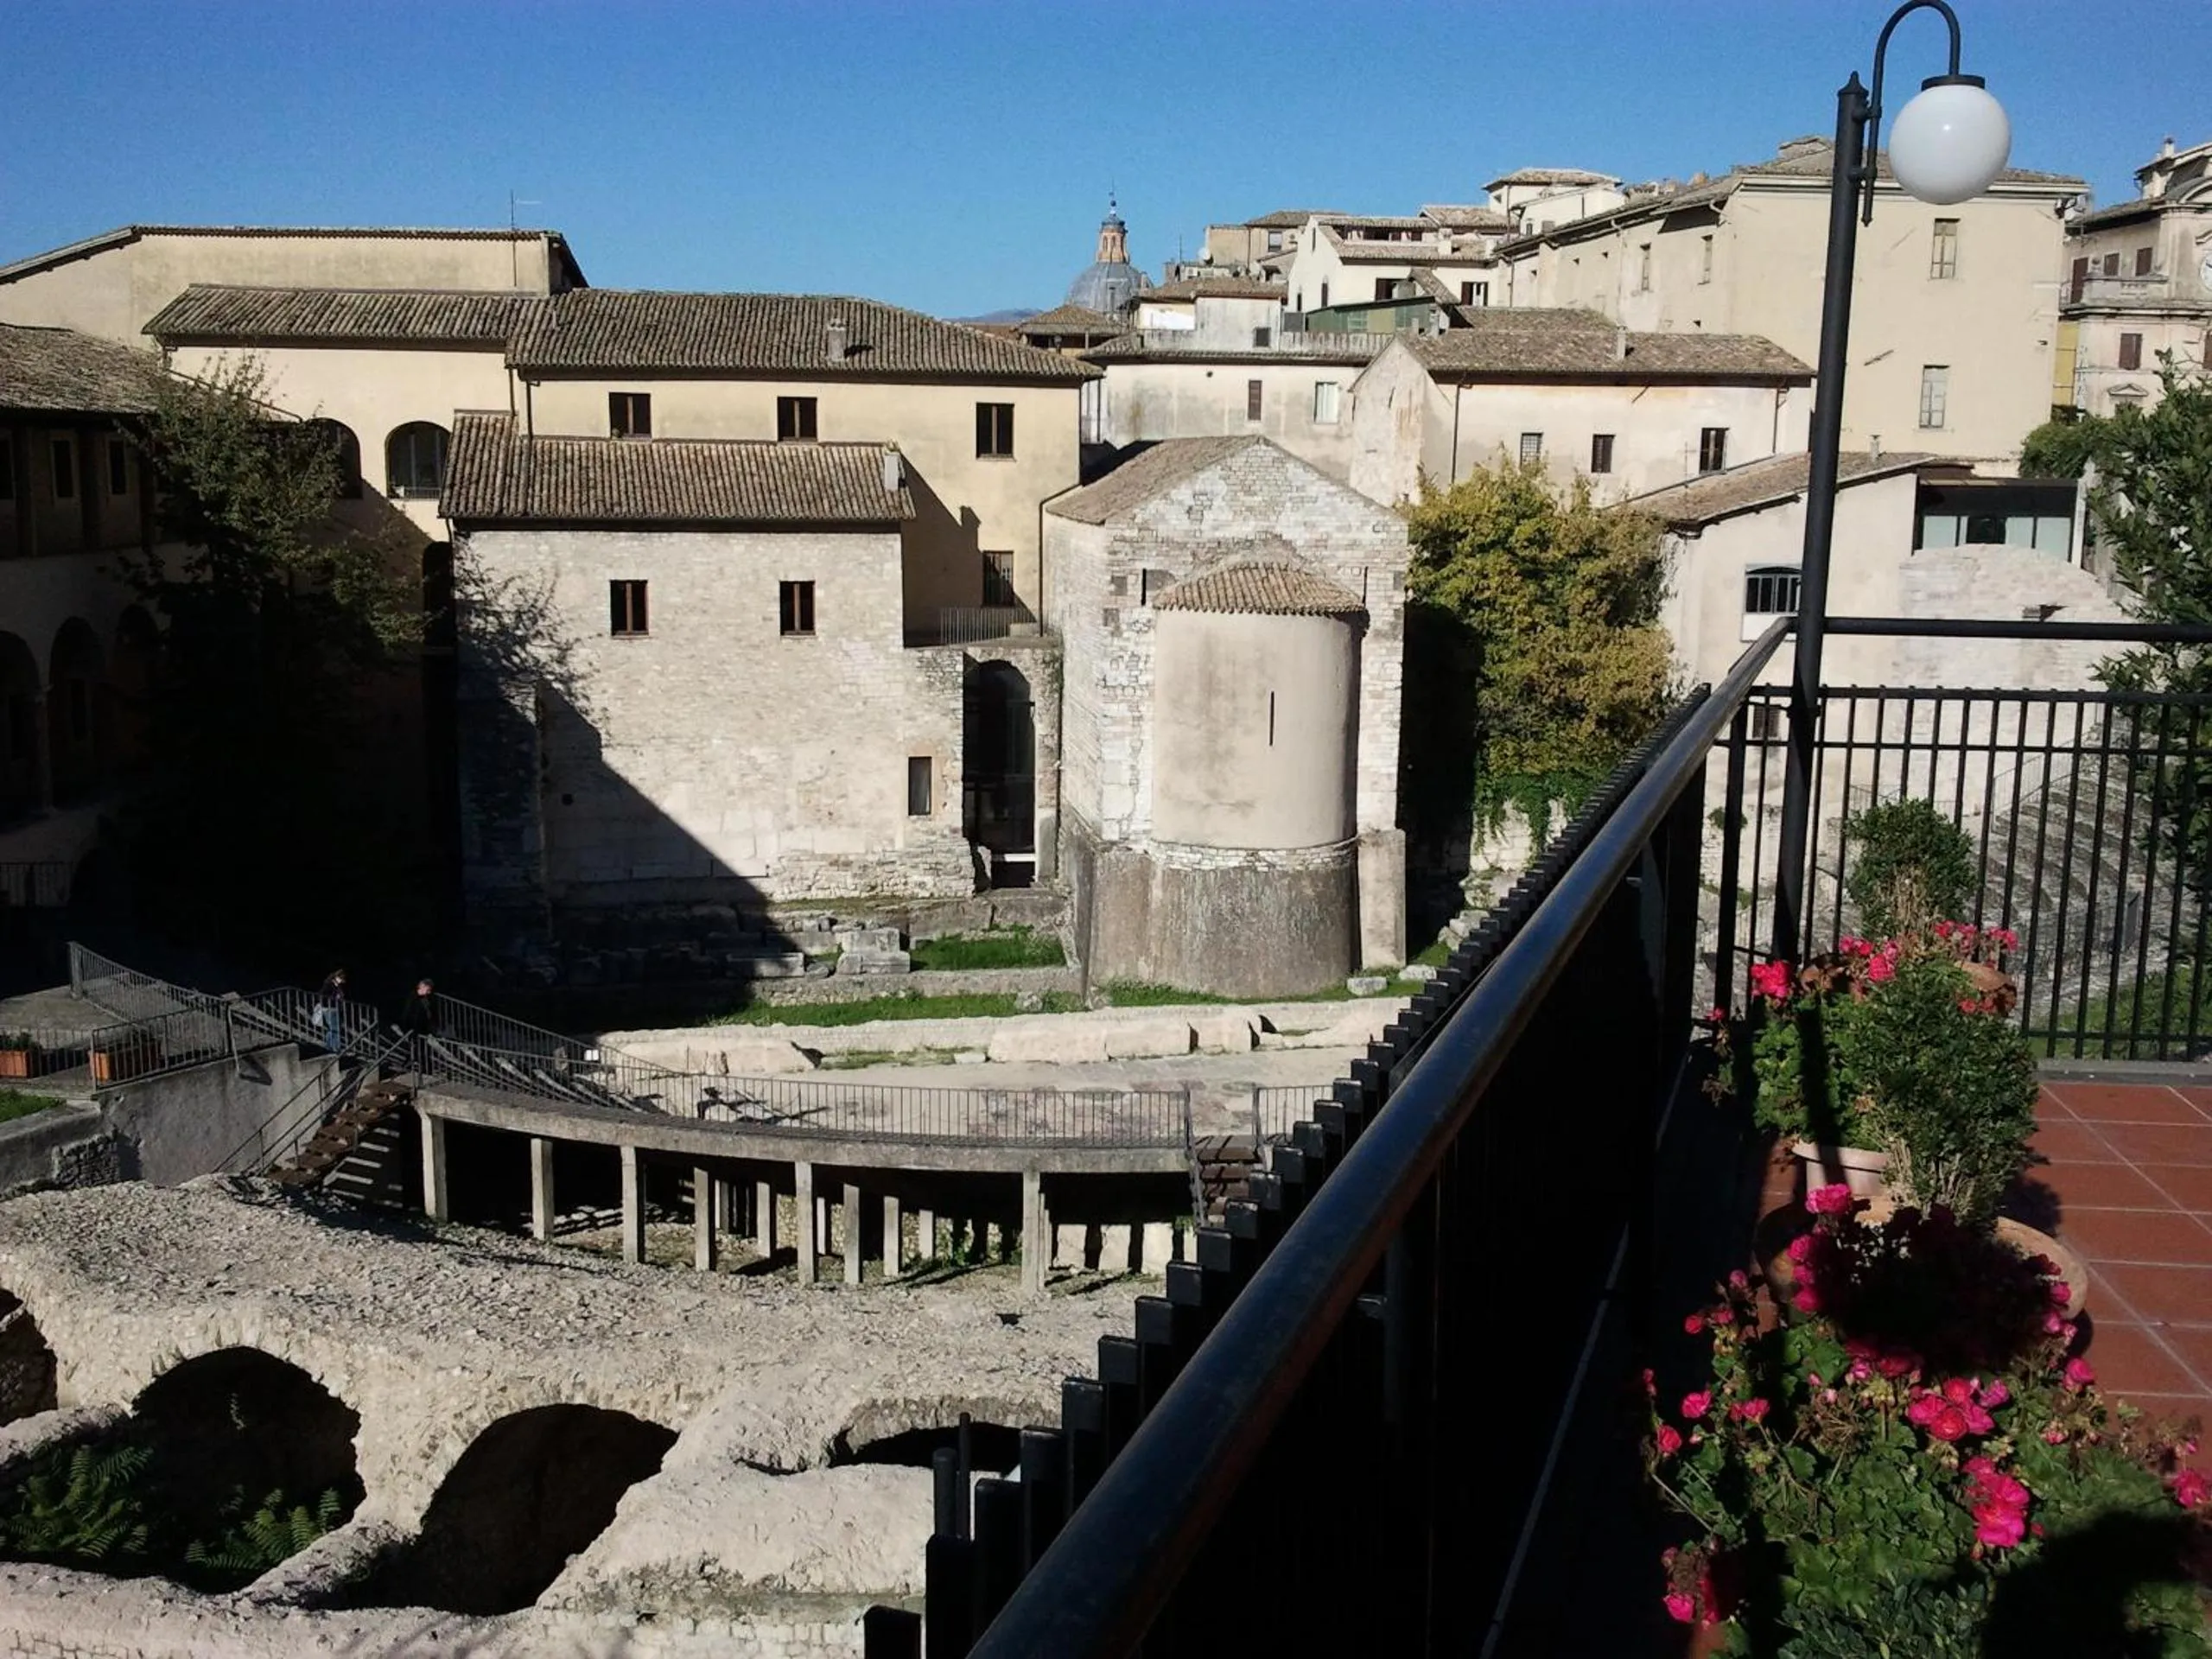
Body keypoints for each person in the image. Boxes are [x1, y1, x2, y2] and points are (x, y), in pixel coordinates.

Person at [315, 969, 347, 1053]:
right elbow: (322, 995)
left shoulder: (336, 985)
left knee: (332, 1029)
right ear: (336, 977)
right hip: (330, 1008)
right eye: (341, 979)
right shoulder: (329, 984)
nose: (341, 981)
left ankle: (329, 1046)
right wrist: (334, 998)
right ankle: (336, 1048)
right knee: (335, 1029)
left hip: (334, 1008)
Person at [398, 977, 436, 1041]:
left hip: (420, 1028)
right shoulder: (412, 996)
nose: (429, 992)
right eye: (428, 990)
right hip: (411, 1027)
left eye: (430, 990)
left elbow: (428, 1013)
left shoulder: (426, 1000)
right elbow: (407, 1012)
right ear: (422, 986)